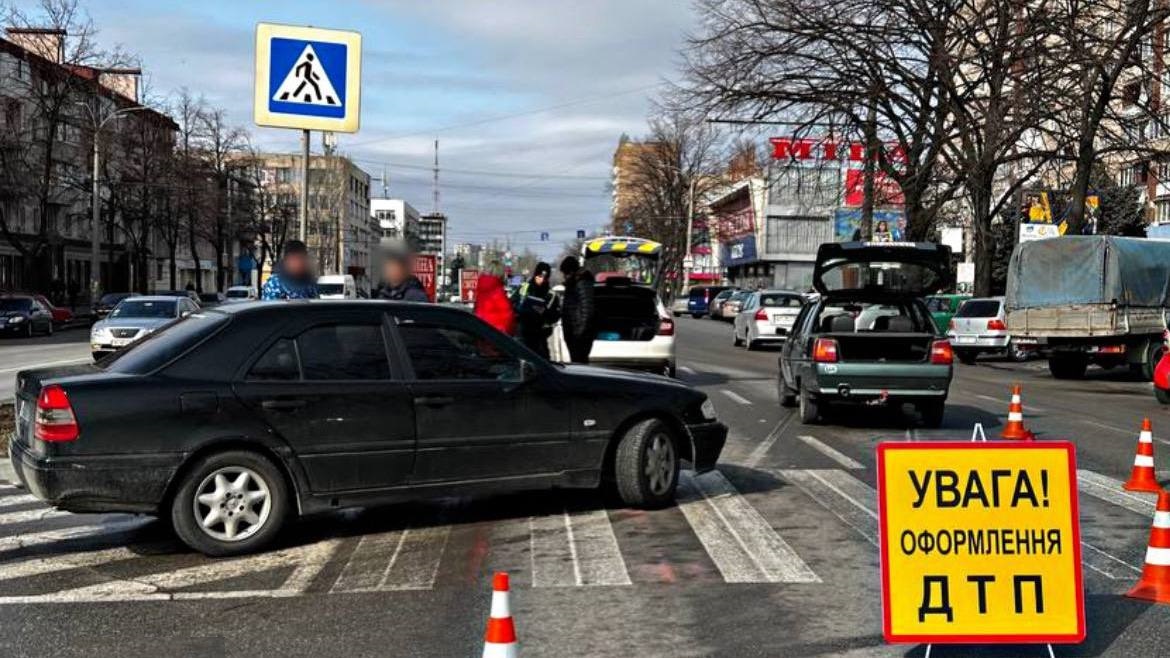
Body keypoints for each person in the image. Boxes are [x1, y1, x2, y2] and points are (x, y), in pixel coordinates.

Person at [511, 262, 557, 358]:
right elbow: (512, 303)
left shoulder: (551, 294)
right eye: (539, 276)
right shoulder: (524, 287)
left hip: (539, 335)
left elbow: (554, 316)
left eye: (545, 277)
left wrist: (544, 312)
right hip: (522, 331)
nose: (542, 280)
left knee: (543, 361)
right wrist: (519, 310)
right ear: (535, 275)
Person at [559, 256, 596, 364]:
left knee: (580, 364)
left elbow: (587, 310)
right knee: (576, 363)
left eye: (565, 273)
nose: (564, 276)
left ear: (571, 271)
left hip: (579, 336)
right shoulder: (573, 284)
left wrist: (579, 333)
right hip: (574, 333)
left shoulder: (582, 283)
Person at [474, 264, 516, 335]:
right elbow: (508, 317)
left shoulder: (481, 289)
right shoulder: (497, 292)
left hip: (481, 331)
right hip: (496, 336)